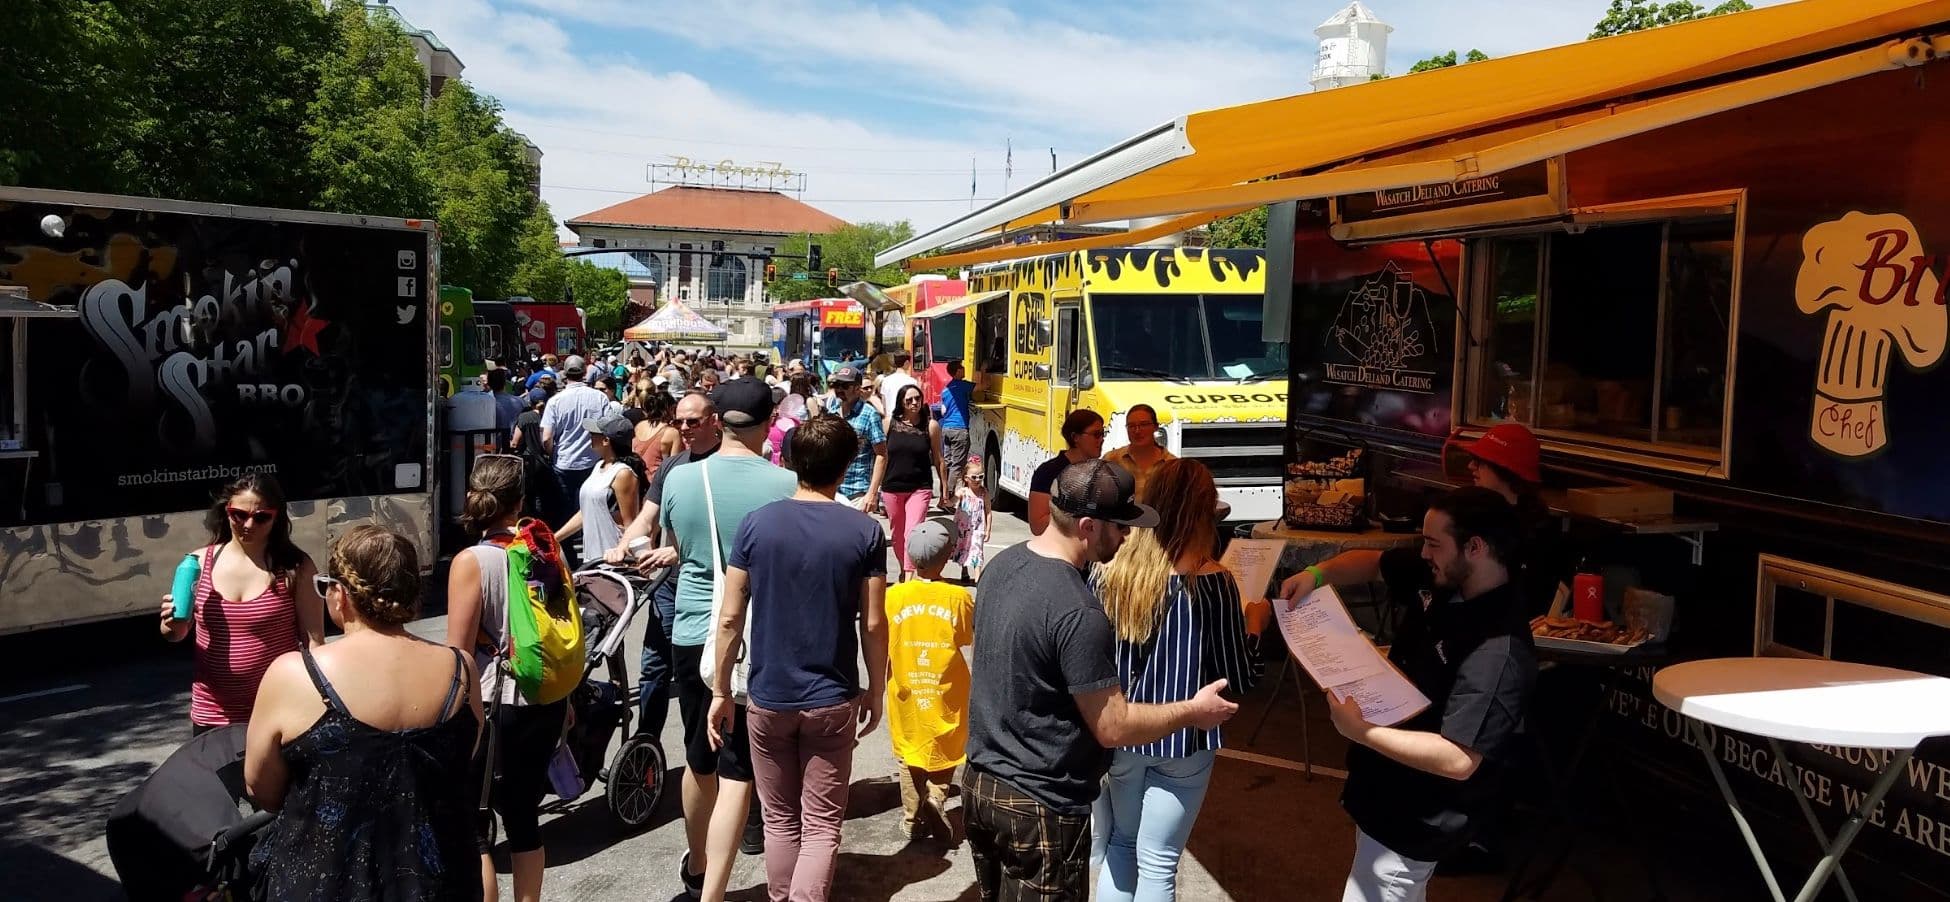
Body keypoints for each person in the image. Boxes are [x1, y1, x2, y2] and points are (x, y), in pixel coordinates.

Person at [963, 460, 1238, 901]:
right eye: (1121, 526)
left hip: (982, 783)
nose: (1130, 536)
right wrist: (1193, 710)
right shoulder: (1077, 609)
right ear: (1088, 526)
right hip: (1040, 803)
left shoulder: (1001, 566)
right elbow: (1113, 726)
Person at [1277, 487, 1540, 902]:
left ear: (1475, 547)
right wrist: (1316, 575)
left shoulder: (1497, 648)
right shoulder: (1444, 573)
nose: (1423, 553)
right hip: (1385, 793)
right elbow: (1372, 563)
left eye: (1433, 543)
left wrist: (1361, 732)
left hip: (1419, 815)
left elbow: (1459, 758)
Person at [246, 525, 482, 901]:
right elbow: (459, 766)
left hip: (326, 882)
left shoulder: (295, 674)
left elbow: (262, 789)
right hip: (438, 884)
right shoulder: (462, 670)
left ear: (340, 595)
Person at [708, 415, 889, 901]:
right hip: (831, 696)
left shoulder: (755, 525)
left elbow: (729, 618)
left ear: (788, 462)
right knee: (822, 823)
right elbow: (872, 622)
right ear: (848, 464)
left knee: (779, 819)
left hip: (768, 695)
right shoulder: (864, 531)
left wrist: (721, 690)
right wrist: (876, 687)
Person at [1090, 460, 1259, 902]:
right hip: (1185, 740)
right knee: (1160, 860)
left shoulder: (1109, 572)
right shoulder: (1215, 582)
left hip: (1122, 733)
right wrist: (1255, 625)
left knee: (1122, 846)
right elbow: (1239, 675)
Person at [660, 378, 798, 901]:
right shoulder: (786, 484)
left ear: (720, 419)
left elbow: (673, 545)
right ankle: (717, 883)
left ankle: (697, 866)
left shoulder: (680, 478)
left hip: (695, 629)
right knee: (739, 765)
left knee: (699, 757)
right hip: (756, 637)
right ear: (768, 423)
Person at [445, 456, 571, 902]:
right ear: (520, 501)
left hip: (493, 700)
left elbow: (458, 650)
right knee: (523, 817)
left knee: (475, 823)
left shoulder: (471, 561)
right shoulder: (543, 546)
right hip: (544, 695)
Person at [161, 474, 326, 734]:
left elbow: (314, 644)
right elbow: (176, 634)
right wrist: (169, 623)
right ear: (226, 512)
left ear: (277, 517)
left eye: (261, 517)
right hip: (212, 714)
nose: (248, 524)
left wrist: (322, 704)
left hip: (277, 711)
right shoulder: (199, 563)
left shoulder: (296, 567)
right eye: (239, 514)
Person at [608, 392, 721, 751]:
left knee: (697, 674)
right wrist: (624, 544)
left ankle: (705, 749)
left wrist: (678, 551)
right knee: (654, 668)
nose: (685, 428)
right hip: (668, 586)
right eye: (680, 422)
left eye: (694, 421)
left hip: (707, 587)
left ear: (713, 421)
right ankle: (647, 746)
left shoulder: (726, 464)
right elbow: (647, 516)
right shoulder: (673, 467)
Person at [884, 519, 974, 844]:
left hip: (906, 687)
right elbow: (965, 637)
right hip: (945, 687)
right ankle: (937, 796)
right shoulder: (958, 597)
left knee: (910, 752)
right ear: (948, 556)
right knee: (946, 744)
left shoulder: (893, 597)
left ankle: (911, 819)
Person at [1459, 423, 1568, 619]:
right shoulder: (1486, 517)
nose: (1471, 466)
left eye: (1480, 461)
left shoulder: (1534, 536)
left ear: (1505, 470)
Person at [554, 413, 643, 568]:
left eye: (594, 433)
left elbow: (630, 523)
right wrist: (555, 537)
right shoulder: (598, 466)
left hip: (614, 561)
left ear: (606, 440)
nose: (589, 435)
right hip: (593, 559)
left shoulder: (623, 474)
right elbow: (586, 512)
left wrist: (631, 559)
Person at [883, 384, 950, 581]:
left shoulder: (931, 426)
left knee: (912, 532)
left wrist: (944, 488)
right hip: (892, 487)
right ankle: (904, 569)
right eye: (909, 400)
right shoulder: (888, 424)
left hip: (920, 487)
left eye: (917, 399)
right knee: (897, 534)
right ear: (901, 403)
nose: (914, 403)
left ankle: (910, 576)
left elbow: (939, 458)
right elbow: (880, 457)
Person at [540, 355, 614, 528]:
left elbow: (546, 438)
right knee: (592, 509)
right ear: (585, 372)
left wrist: (553, 454)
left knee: (564, 512)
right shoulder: (600, 398)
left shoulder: (555, 401)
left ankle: (567, 548)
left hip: (564, 463)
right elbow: (609, 427)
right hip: (593, 461)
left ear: (565, 373)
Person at [1028, 409, 1107, 537]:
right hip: (1057, 552)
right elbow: (1038, 525)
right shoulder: (1048, 472)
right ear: (1075, 437)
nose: (1102, 439)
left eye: (1103, 433)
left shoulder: (1102, 471)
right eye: (1096, 434)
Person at [825, 366, 886, 512]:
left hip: (857, 492)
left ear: (857, 388)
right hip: (831, 490)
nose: (839, 389)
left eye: (845, 386)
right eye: (837, 385)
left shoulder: (870, 414)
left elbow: (882, 454)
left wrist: (872, 493)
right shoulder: (831, 413)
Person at [1103, 405, 1175, 501]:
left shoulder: (1172, 465)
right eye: (1131, 426)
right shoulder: (1111, 460)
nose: (1137, 431)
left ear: (1156, 427)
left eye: (1144, 424)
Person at [938, 360, 975, 493]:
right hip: (959, 429)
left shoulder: (946, 389)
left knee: (947, 463)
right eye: (963, 368)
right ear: (958, 371)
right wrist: (983, 369)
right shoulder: (962, 385)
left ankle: (943, 492)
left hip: (946, 429)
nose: (965, 369)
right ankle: (948, 495)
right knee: (957, 466)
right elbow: (983, 386)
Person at [953, 457, 990, 583]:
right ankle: (964, 570)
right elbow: (952, 502)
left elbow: (988, 512)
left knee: (977, 549)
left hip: (977, 528)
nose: (977, 480)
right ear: (966, 478)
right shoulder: (963, 492)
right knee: (963, 547)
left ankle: (977, 577)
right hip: (963, 527)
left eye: (981, 476)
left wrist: (988, 529)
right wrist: (953, 498)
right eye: (974, 477)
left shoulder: (984, 493)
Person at [488, 368, 523, 449]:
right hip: (513, 447)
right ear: (505, 383)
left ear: (489, 383)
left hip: (490, 447)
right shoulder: (520, 402)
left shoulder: (482, 403)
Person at [877, 351, 919, 415]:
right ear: (906, 363)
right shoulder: (912, 382)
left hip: (890, 419)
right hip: (905, 420)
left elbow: (884, 404)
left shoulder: (885, 381)